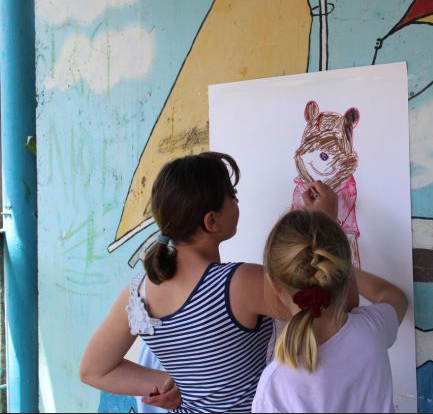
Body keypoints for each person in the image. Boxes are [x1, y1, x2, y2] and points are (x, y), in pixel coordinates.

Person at [80, 152, 338, 412]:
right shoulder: (239, 282)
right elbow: (324, 304)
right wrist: (322, 224)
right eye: (232, 196)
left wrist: (165, 382)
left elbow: (93, 370)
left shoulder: (139, 292)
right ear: (211, 221)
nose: (237, 201)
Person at [252, 209, 408, 413]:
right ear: (343, 275)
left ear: (273, 283)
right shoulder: (372, 328)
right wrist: (343, 268)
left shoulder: (275, 387)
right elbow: (394, 297)